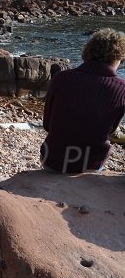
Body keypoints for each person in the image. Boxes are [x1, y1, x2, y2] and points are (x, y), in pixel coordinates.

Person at [40, 28, 125, 173]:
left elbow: (47, 124)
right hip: (90, 164)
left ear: (88, 51)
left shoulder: (61, 78)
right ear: (118, 57)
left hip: (52, 159)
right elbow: (109, 131)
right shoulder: (121, 89)